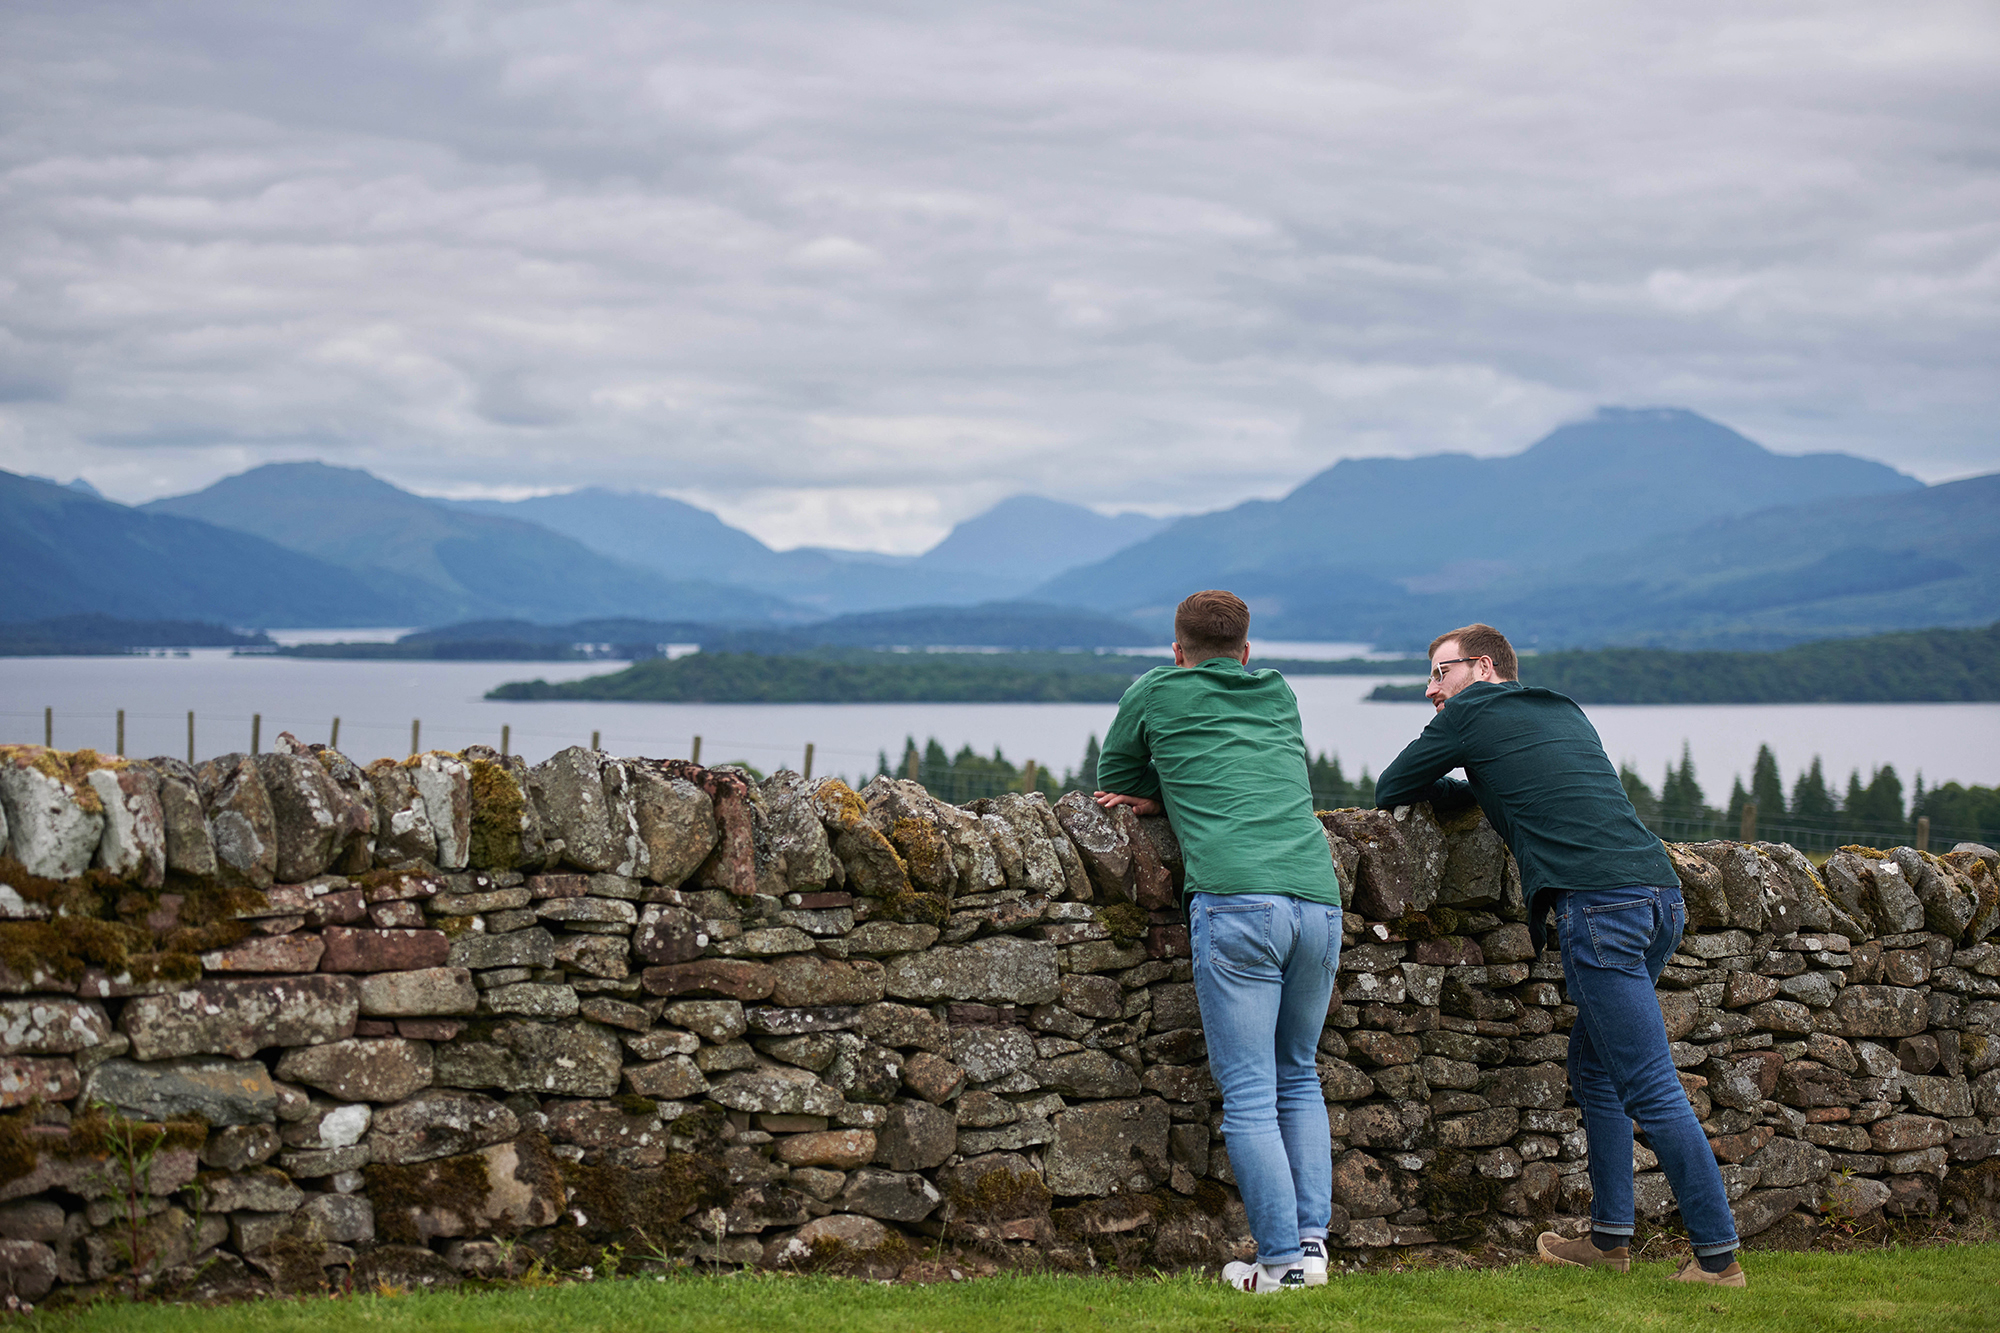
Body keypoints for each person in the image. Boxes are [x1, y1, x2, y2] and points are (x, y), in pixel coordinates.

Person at [1373, 623, 1745, 1287]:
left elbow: (1392, 784)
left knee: (1651, 1085)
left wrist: (1459, 791)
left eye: (1441, 672)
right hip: (1661, 897)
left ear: (1483, 667)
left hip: (1599, 907)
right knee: (1594, 1064)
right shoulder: (1560, 708)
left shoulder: (1468, 712)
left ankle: (1718, 1258)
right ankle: (1608, 1239)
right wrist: (1486, 790)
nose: (1433, 690)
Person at [1094, 589, 1345, 1294]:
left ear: (1178, 650)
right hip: (1318, 899)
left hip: (1238, 901)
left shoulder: (1156, 689)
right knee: (1299, 1073)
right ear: (1246, 651)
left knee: (1249, 1093)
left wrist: (1163, 796)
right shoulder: (1278, 693)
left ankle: (1281, 1267)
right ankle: (1313, 1248)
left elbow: (1116, 781)